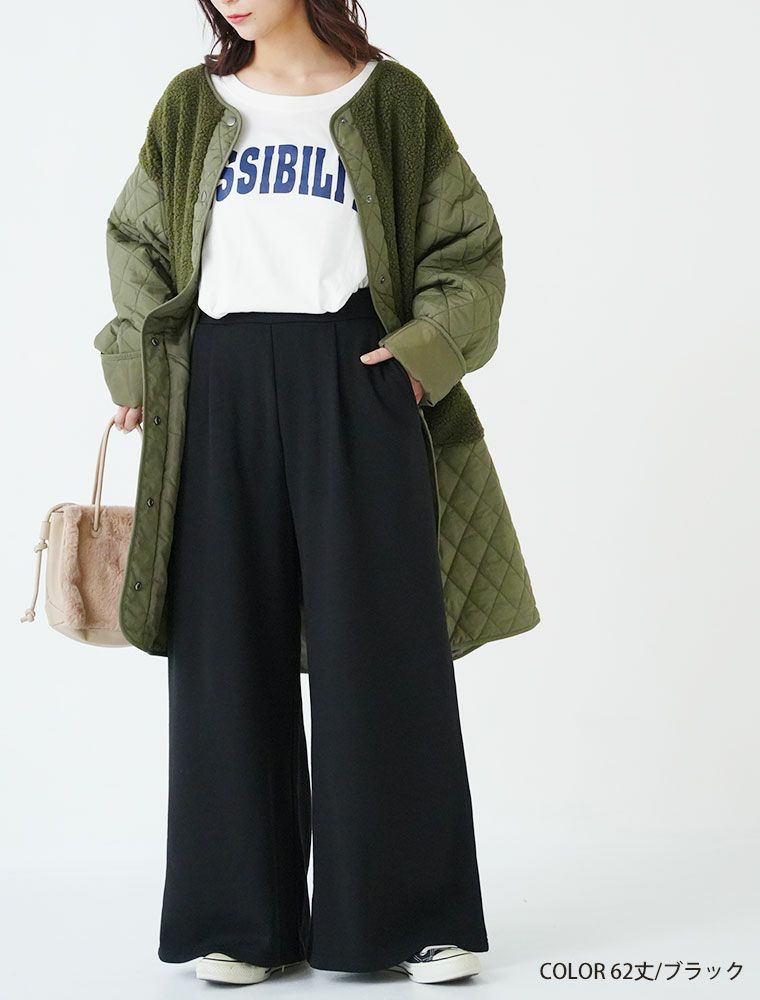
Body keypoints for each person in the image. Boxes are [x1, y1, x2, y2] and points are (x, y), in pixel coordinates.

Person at [94, 0, 540, 987]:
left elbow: (466, 248)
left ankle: (413, 920)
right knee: (223, 649)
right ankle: (239, 920)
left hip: (355, 371)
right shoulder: (191, 104)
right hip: (218, 381)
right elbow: (138, 240)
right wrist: (139, 364)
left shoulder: (390, 100)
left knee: (383, 646)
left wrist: (420, 356)